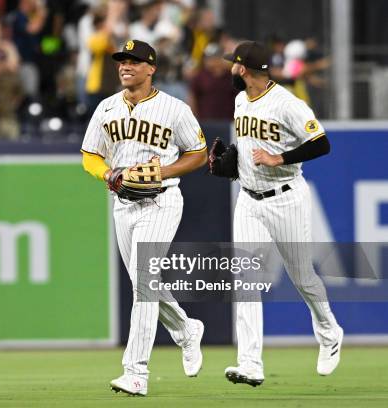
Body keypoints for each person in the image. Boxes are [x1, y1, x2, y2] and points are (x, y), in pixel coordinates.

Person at [81, 39, 207, 396]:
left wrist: (163, 172)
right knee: (144, 281)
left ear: (151, 68)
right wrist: (108, 175)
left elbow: (197, 154)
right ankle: (185, 329)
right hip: (123, 203)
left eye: (134, 61)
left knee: (143, 280)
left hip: (162, 201)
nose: (125, 66)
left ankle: (135, 372)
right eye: (122, 61)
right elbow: (90, 156)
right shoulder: (106, 109)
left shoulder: (174, 109)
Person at [222, 41, 343, 386]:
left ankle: (329, 330)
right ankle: (250, 363)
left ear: (244, 69)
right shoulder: (240, 100)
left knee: (302, 276)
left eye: (234, 64)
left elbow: (322, 142)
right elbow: (247, 146)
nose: (230, 69)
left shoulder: (288, 104)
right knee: (244, 277)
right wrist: (233, 162)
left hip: (286, 198)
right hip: (248, 199)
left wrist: (280, 159)